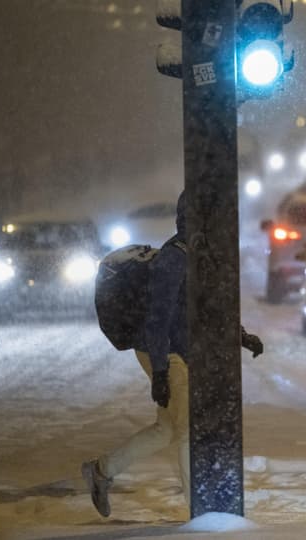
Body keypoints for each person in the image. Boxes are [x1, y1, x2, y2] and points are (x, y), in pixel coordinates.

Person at [81, 192, 263, 517]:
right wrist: (161, 372)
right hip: (164, 350)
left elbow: (212, 304)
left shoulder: (202, 254)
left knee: (167, 428)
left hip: (178, 350)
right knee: (186, 431)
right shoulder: (173, 259)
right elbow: (157, 318)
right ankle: (204, 515)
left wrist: (241, 335)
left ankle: (100, 471)